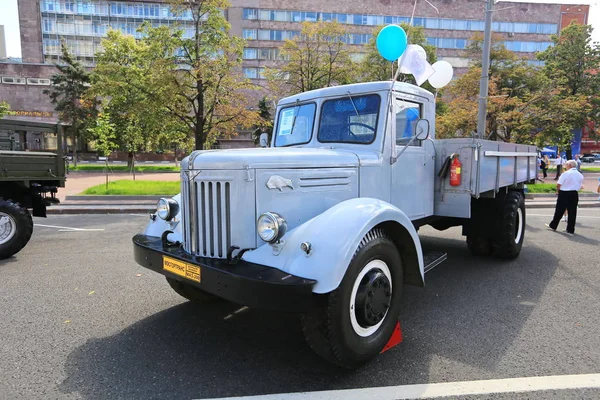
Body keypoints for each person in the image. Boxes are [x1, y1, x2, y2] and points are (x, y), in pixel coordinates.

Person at [545, 160, 584, 234]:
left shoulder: (566, 173)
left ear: (569, 165)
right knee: (572, 211)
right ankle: (570, 229)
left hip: (564, 193)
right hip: (574, 193)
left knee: (559, 210)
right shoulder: (580, 174)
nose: (565, 166)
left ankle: (553, 225)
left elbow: (559, 184)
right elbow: (580, 185)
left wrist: (557, 191)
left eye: (566, 165)